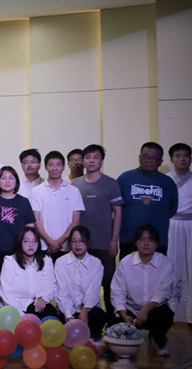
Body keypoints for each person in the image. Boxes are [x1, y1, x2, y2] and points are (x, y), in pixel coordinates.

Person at [71, 144, 123, 323]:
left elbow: (118, 213)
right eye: (88, 157)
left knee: (109, 285)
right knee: (80, 285)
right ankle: (82, 321)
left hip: (104, 243)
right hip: (80, 245)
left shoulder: (111, 183)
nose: (91, 161)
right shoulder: (76, 184)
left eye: (95, 157)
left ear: (102, 160)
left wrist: (114, 240)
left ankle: (112, 322)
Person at [111, 224, 176, 357]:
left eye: (151, 240)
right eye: (142, 239)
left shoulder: (166, 263)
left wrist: (145, 310)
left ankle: (158, 341)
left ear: (157, 244)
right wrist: (123, 314)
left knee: (165, 314)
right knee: (114, 323)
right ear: (136, 243)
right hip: (130, 311)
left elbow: (164, 292)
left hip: (152, 310)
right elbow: (117, 291)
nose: (146, 243)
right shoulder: (126, 262)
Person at [117, 142, 178, 258]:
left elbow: (172, 209)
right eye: (145, 156)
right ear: (139, 158)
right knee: (128, 269)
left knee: (158, 269)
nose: (149, 160)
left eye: (154, 158)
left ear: (160, 162)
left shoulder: (168, 182)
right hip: (129, 239)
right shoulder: (124, 178)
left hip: (158, 240)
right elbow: (116, 207)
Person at [29, 151, 84, 261]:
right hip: (43, 246)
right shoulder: (36, 191)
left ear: (63, 167)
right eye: (51, 165)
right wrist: (50, 242)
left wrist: (59, 242)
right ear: (45, 167)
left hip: (67, 247)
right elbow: (36, 220)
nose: (55, 168)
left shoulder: (74, 191)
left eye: (58, 165)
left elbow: (76, 220)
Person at [54, 226, 106, 343]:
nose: (77, 245)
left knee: (99, 316)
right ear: (70, 243)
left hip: (88, 310)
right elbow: (62, 292)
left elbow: (93, 291)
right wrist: (69, 317)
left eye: (81, 241)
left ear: (88, 242)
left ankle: (92, 338)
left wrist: (85, 311)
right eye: (74, 241)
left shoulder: (96, 263)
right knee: (56, 321)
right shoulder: (61, 262)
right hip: (67, 310)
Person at [0, 228, 61, 320]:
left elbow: (51, 285)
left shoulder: (46, 261)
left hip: (37, 305)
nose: (31, 244)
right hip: (14, 308)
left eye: (34, 241)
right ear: (20, 243)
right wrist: (21, 315)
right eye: (26, 241)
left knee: (50, 315)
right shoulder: (10, 262)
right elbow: (7, 292)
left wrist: (42, 298)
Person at [0, 166, 36, 272]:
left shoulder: (24, 202)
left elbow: (31, 228)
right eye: (3, 178)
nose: (7, 181)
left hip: (19, 251)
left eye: (11, 178)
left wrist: (28, 250)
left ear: (16, 182)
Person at [167, 142, 191, 323]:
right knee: (170, 265)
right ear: (171, 159)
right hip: (171, 226)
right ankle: (170, 314)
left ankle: (190, 314)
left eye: (186, 155)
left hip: (190, 226)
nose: (182, 159)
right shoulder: (165, 180)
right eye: (178, 155)